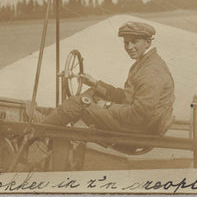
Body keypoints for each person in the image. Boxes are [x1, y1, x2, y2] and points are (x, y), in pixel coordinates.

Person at [43, 21, 175, 135]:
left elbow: (139, 115)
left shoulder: (150, 72)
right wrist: (95, 84)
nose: (129, 47)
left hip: (139, 128)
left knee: (77, 102)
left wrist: (107, 105)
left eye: (134, 42)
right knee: (93, 93)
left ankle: (39, 131)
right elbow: (127, 97)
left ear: (147, 42)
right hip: (142, 124)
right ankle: (54, 123)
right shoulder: (146, 62)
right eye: (126, 42)